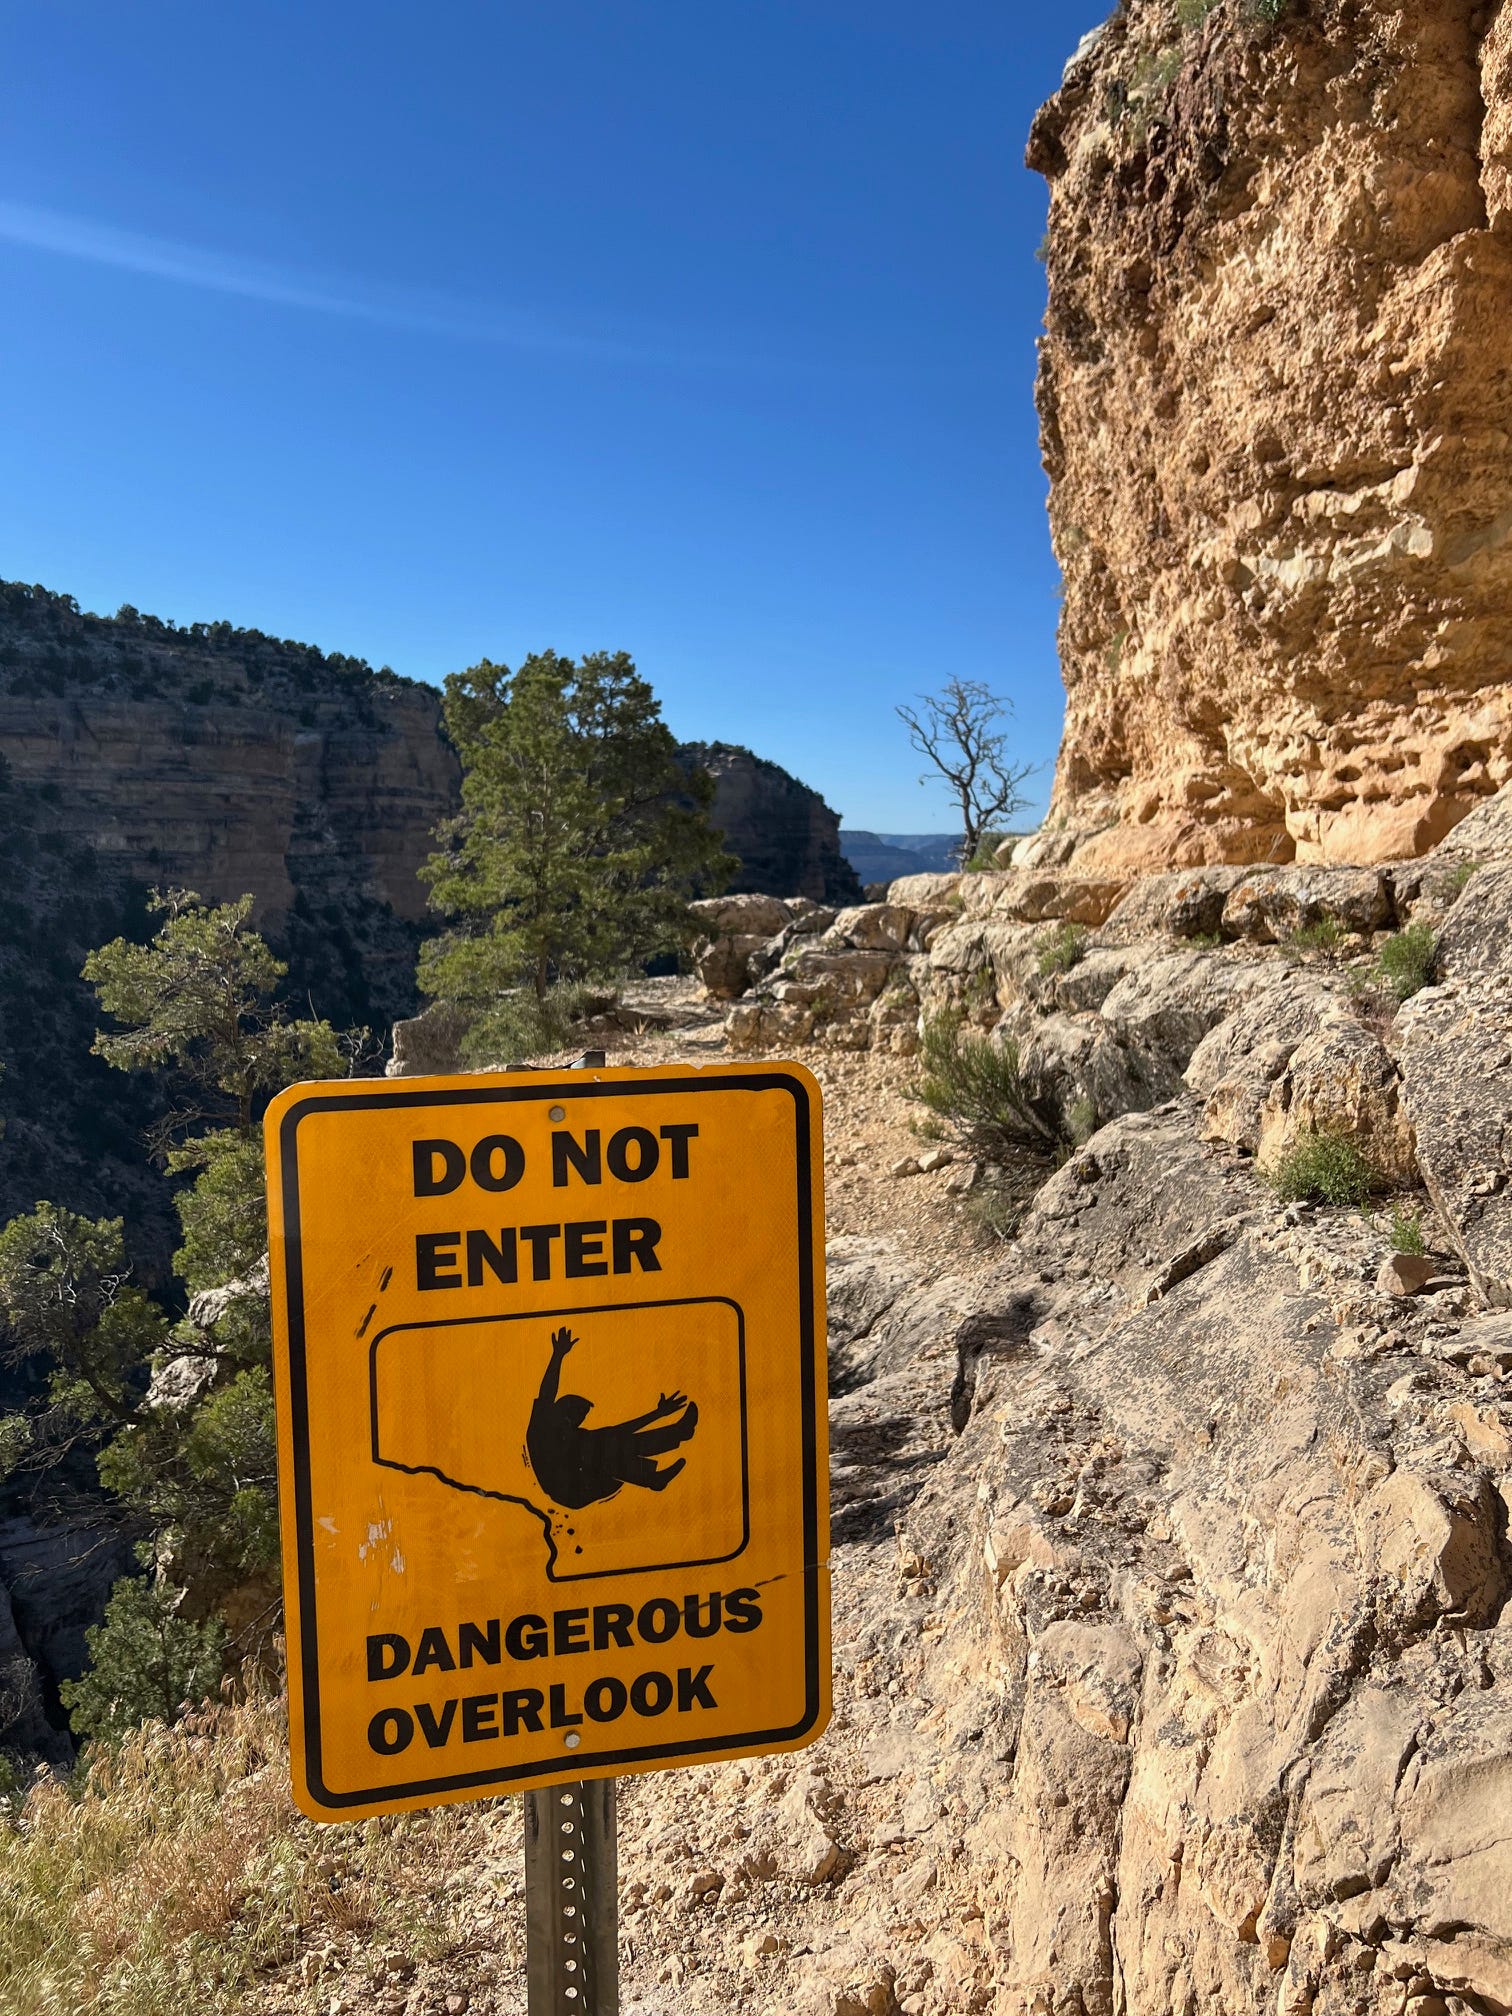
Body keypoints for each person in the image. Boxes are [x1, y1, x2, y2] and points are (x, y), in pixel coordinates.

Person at [526, 1325, 698, 1510]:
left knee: (606, 1443)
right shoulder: (542, 1427)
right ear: (563, 1411)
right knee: (601, 1447)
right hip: (569, 1490)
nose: (579, 1422)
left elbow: (619, 1432)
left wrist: (658, 1414)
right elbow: (547, 1393)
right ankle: (654, 1472)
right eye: (578, 1416)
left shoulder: (572, 1437)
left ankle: (676, 1437)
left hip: (588, 1482)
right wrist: (558, 1355)